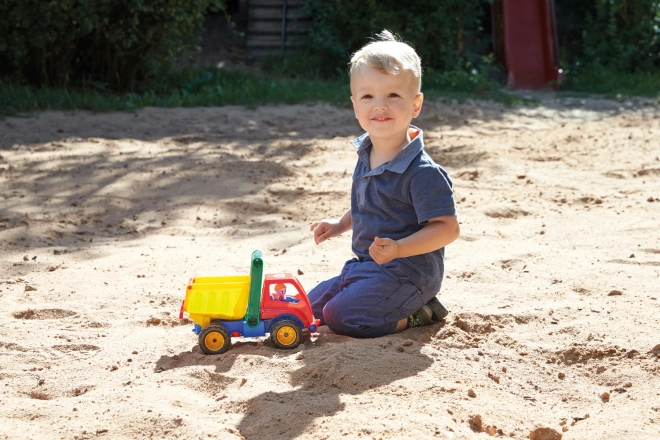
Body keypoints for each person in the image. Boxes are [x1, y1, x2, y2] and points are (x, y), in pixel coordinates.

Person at [307, 30, 460, 338]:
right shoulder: (366, 152)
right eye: (368, 96)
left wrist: (400, 248)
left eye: (393, 95)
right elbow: (369, 203)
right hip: (367, 266)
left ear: (415, 105)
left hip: (408, 274)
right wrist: (339, 224)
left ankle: (420, 314)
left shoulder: (422, 172)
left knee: (341, 316)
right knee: (307, 307)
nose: (380, 106)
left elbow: (447, 228)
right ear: (354, 106)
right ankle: (370, 296)